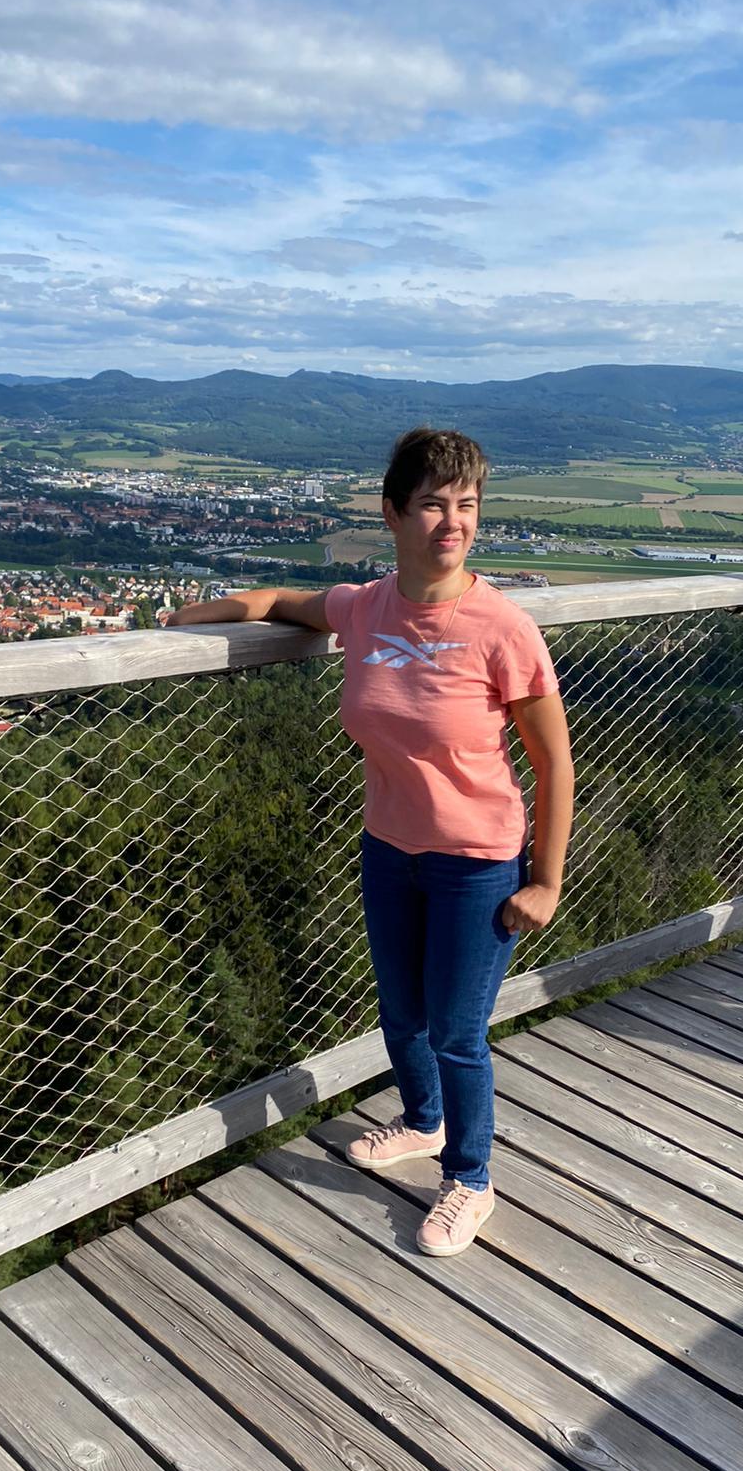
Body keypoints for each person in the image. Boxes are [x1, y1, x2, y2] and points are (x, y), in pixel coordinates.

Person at [166, 428, 574, 1257]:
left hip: (476, 864)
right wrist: (183, 620)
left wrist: (545, 880)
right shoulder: (365, 606)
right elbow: (278, 603)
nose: (452, 523)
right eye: (432, 505)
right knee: (401, 1013)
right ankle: (423, 1121)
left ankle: (471, 1178)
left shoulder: (501, 628)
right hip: (388, 850)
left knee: (457, 1031)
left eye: (466, 505)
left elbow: (554, 762)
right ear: (392, 514)